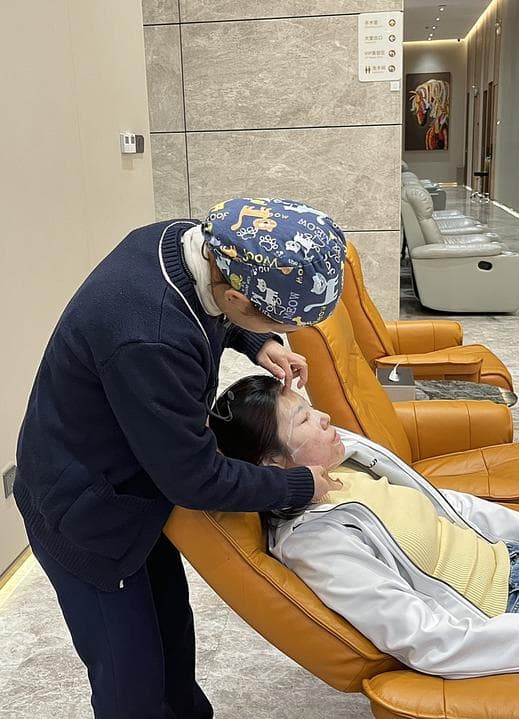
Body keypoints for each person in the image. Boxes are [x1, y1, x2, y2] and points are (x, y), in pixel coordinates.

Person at [14, 198, 347, 719]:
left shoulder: (193, 241)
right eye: (275, 318)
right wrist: (300, 484)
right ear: (236, 295)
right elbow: (195, 479)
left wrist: (257, 338)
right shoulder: (151, 335)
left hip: (138, 485)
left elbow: (212, 307)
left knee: (172, 642)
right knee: (131, 682)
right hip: (86, 511)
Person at [209, 374, 519, 680]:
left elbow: (448, 509)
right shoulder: (317, 541)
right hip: (511, 611)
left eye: (310, 408)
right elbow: (427, 639)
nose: (324, 417)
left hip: (514, 558)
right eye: (304, 419)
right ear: (273, 463)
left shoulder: (342, 464)